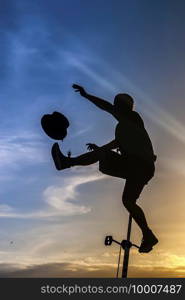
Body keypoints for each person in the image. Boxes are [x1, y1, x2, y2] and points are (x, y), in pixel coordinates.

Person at [51, 84, 158, 253]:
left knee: (104, 157)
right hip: (140, 167)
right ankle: (148, 235)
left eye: (116, 105)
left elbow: (106, 107)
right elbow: (114, 144)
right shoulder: (126, 128)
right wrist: (99, 149)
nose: (114, 107)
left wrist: (87, 95)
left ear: (123, 107)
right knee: (128, 201)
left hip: (140, 165)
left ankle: (66, 163)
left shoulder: (133, 117)